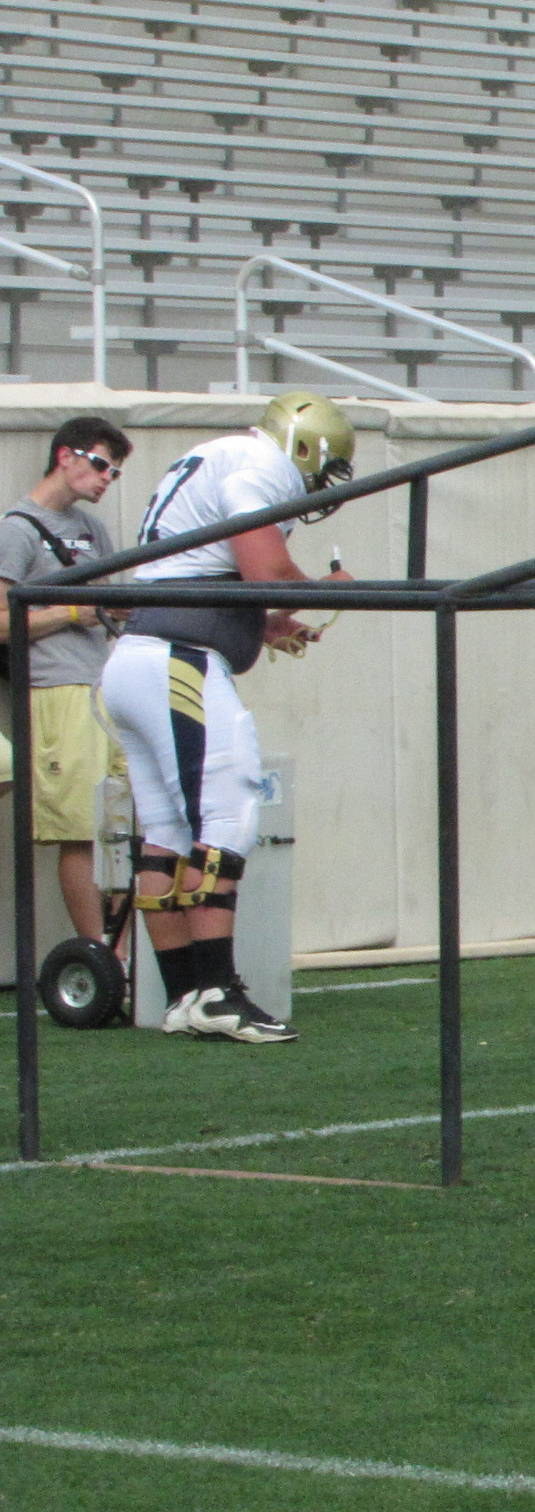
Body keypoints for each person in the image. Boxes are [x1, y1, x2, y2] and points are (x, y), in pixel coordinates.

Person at [99, 390, 356, 1043]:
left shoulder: (215, 457)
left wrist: (264, 624)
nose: (319, 486)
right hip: (177, 660)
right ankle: (216, 991)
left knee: (165, 827)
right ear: (303, 446)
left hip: (138, 658)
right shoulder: (257, 463)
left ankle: (185, 994)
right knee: (229, 808)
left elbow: (194, 574)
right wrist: (324, 590)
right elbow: (264, 567)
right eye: (322, 469)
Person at [0, 416, 133, 947]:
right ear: (65, 456)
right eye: (101, 465)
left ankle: (123, 953)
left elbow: (110, 603)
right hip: (55, 686)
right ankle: (101, 958)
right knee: (80, 830)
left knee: (124, 827)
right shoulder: (16, 528)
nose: (106, 479)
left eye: (114, 473)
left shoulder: (92, 529)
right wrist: (72, 611)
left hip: (106, 682)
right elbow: (2, 621)